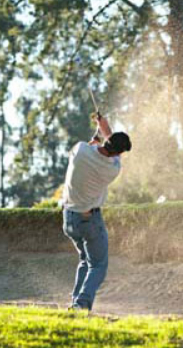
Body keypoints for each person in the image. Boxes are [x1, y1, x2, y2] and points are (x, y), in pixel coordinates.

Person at [61, 112, 132, 311]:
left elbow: (98, 147)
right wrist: (104, 127)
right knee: (98, 265)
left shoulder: (80, 150)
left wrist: (101, 128)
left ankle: (76, 303)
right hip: (88, 220)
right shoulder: (112, 170)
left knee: (85, 261)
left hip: (69, 218)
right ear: (119, 153)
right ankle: (82, 304)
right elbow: (111, 153)